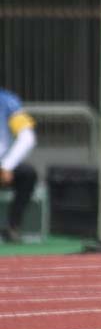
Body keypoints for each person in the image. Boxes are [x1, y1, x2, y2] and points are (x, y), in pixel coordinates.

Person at [0, 87, 37, 243]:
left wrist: (7, 166)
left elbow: (27, 137)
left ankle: (13, 227)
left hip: (1, 164)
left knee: (27, 174)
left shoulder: (7, 101)